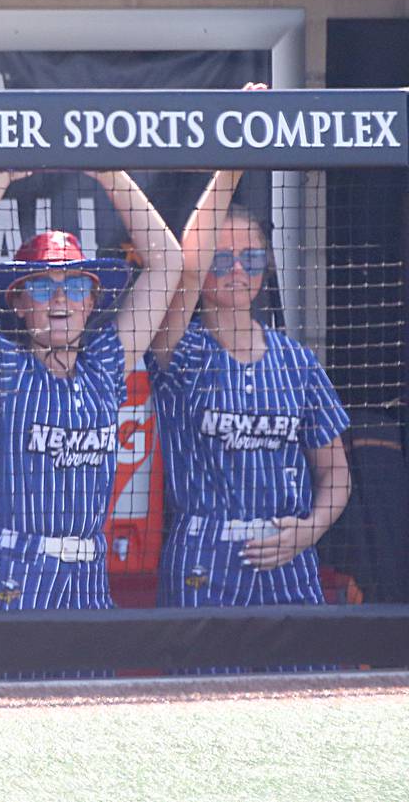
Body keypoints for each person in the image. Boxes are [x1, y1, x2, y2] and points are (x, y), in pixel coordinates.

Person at [0, 171, 182, 614]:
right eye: (40, 285)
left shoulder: (104, 367)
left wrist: (110, 172)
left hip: (88, 580)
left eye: (74, 286)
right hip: (8, 574)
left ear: (91, 302)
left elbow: (168, 261)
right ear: (17, 301)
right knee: (5, 688)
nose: (60, 299)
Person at [147, 168, 351, 615]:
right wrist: (231, 167)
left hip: (289, 558)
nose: (238, 271)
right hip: (205, 557)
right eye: (222, 260)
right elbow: (187, 264)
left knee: (308, 684)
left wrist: (310, 529)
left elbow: (336, 473)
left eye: (252, 258)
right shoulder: (180, 348)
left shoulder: (297, 361)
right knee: (202, 686)